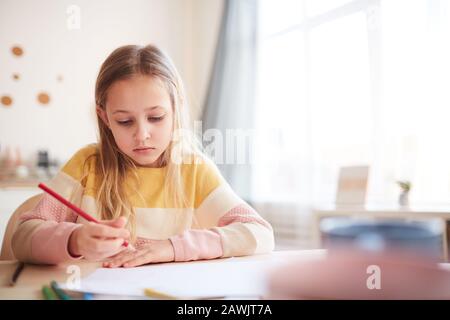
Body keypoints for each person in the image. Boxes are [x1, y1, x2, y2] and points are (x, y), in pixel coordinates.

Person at [12, 44, 274, 267]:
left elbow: (260, 234)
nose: (142, 135)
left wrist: (171, 248)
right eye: (125, 121)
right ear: (104, 117)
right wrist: (74, 239)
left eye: (156, 117)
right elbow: (22, 238)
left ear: (176, 107)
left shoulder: (193, 169)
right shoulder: (87, 165)